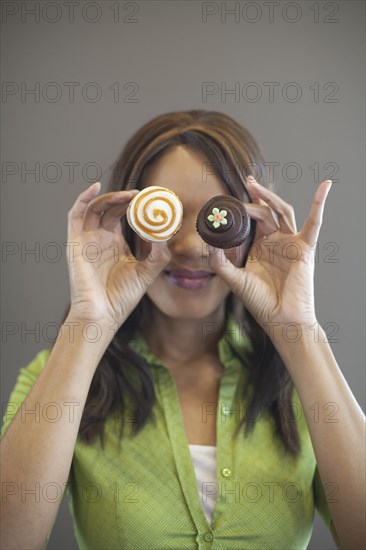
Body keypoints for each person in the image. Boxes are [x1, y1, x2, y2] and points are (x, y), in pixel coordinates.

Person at [1, 110, 364, 550]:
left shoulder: (300, 385)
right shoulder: (60, 379)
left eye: (215, 215)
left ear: (253, 227)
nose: (192, 248)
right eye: (168, 213)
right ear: (130, 220)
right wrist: (87, 323)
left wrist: (298, 330)